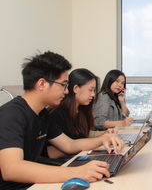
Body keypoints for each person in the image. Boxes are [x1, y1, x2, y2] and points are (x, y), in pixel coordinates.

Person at [0, 51, 124, 189]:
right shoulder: (11, 114)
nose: (66, 91)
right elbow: (11, 169)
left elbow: (69, 145)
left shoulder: (43, 115)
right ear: (42, 84)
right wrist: (77, 172)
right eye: (63, 85)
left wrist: (103, 139)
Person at [45, 68, 118, 159]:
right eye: (90, 90)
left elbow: (81, 134)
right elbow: (70, 145)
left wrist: (104, 133)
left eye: (94, 91)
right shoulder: (56, 114)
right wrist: (100, 140)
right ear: (76, 88)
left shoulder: (81, 110)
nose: (93, 95)